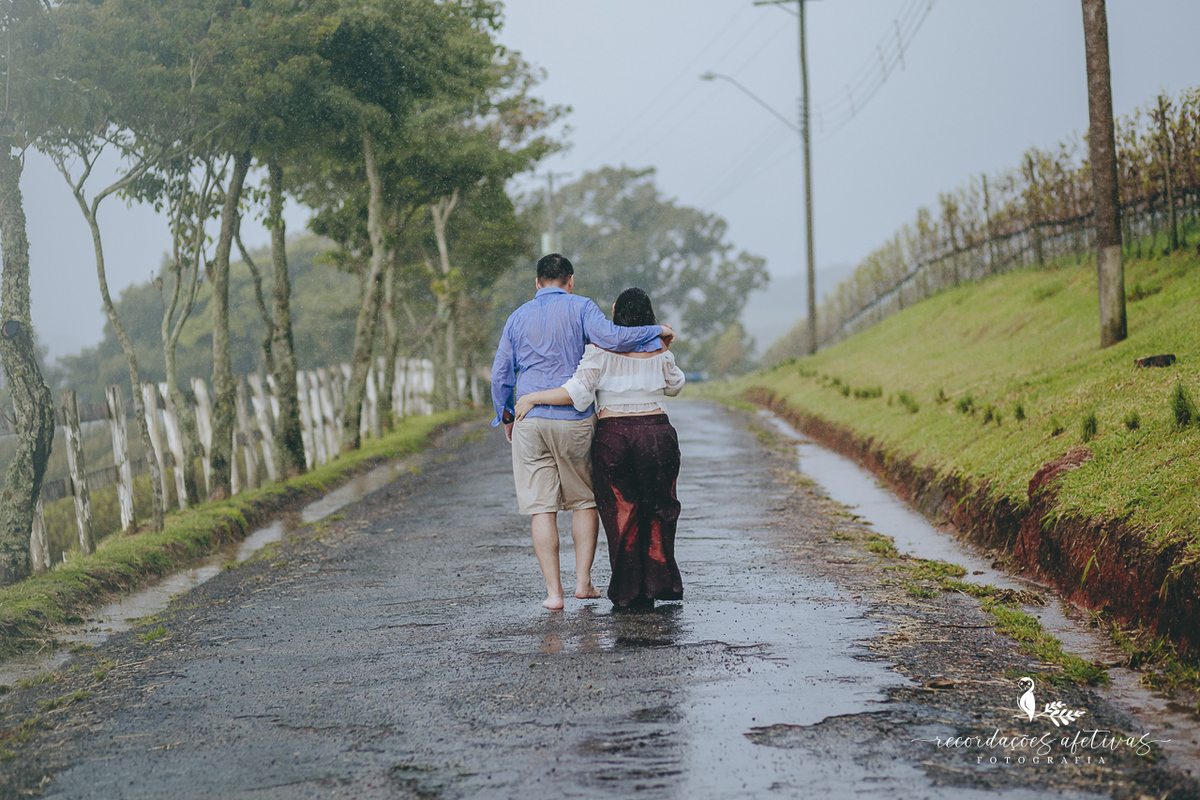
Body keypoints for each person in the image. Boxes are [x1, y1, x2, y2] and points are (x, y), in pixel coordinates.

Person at [491, 255, 674, 610]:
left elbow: (501, 374)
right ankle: (583, 583)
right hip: (572, 416)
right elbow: (613, 338)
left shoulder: (516, 317)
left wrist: (508, 416)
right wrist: (657, 331)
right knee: (584, 501)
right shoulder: (581, 307)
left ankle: (553, 594)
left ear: (537, 282)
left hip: (530, 417)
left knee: (541, 507)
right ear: (570, 281)